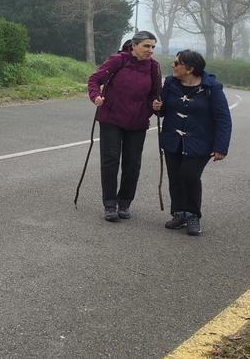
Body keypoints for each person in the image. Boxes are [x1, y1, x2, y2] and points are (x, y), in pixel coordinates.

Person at [87, 31, 162, 222]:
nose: (150, 50)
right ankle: (110, 205)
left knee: (132, 164)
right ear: (134, 45)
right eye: (146, 46)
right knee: (110, 161)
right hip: (112, 118)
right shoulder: (118, 60)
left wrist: (155, 105)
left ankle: (125, 203)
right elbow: (95, 79)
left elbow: (156, 93)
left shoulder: (154, 67)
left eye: (153, 46)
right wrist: (96, 96)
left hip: (137, 121)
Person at [155, 50, 232, 236]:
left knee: (189, 175)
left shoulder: (211, 88)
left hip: (200, 142)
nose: (173, 66)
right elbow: (163, 111)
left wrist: (221, 147)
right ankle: (179, 213)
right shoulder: (171, 83)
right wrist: (158, 108)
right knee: (175, 177)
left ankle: (193, 215)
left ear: (190, 69)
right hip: (173, 139)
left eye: (177, 63)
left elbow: (223, 118)